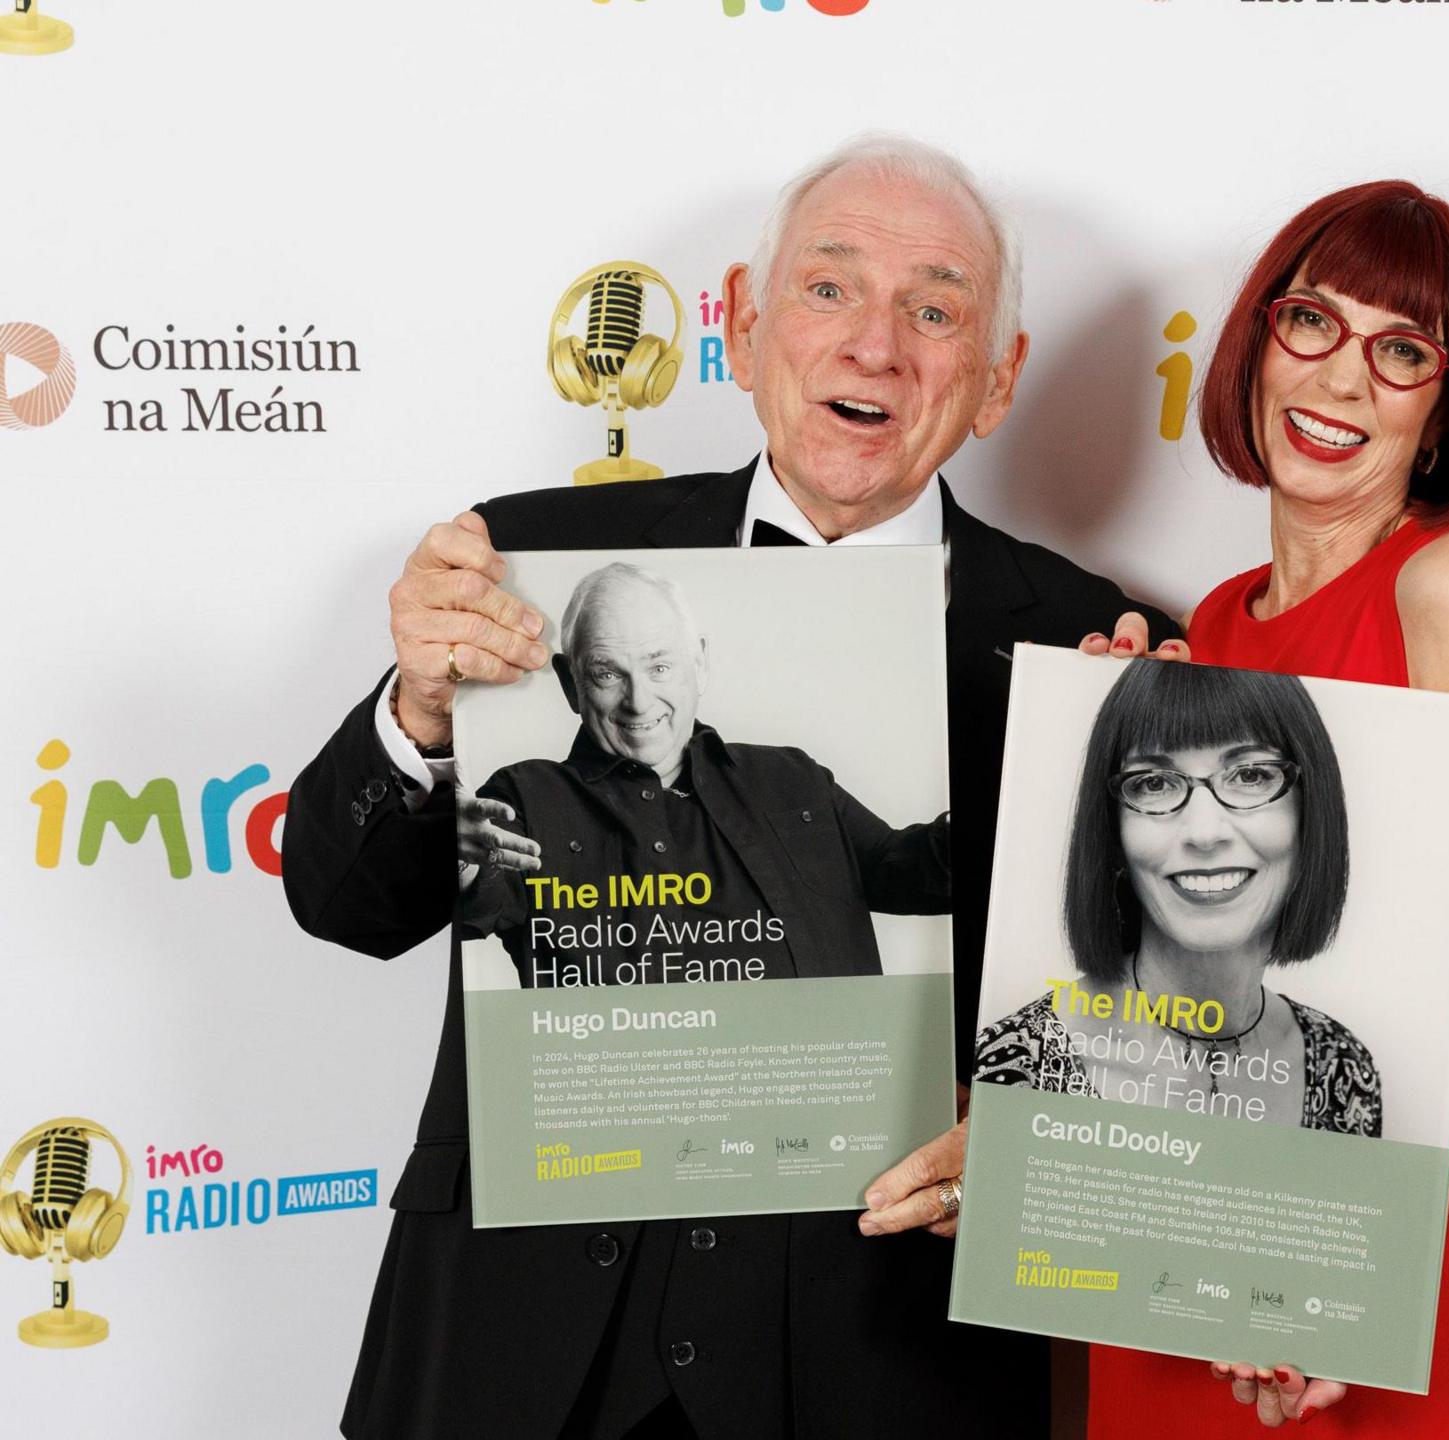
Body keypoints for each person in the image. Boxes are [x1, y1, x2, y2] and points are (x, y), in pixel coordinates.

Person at [281, 135, 1176, 1440]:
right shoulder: (531, 562)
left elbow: (1151, 1032)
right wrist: (419, 708)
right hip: (511, 1342)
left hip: (880, 1358)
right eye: (829, 288)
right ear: (747, 325)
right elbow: (344, 903)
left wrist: (1054, 1111)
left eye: (936, 307)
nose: (877, 344)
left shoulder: (1092, 643)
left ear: (996, 382)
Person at [1086, 180, 1449, 1437]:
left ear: (1443, 403)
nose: (1343, 382)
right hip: (1185, 1216)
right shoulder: (1216, 624)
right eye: (1312, 324)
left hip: (1379, 1217)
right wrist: (1098, 760)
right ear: (1258, 343)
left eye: (1399, 351)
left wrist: (1314, 1244)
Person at [455, 561, 952, 983]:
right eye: (607, 674)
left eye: (660, 667)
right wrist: (456, 858)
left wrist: (1009, 786)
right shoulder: (526, 799)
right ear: (570, 684)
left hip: (824, 1082)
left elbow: (907, 872)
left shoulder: (790, 776)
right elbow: (479, 896)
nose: (639, 701)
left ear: (700, 663)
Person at [973, 661, 1380, 1134]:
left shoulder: (1344, 1066)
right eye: (1154, 783)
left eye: (1250, 775)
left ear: (1312, 812)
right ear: (1113, 830)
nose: (1205, 833)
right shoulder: (1013, 1068)